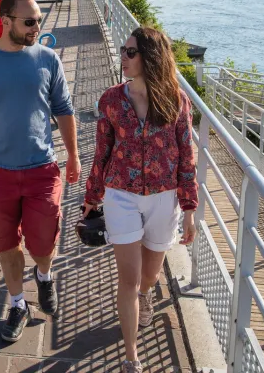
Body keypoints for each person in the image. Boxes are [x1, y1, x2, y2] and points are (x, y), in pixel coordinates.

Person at [0, 0, 81, 343]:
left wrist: (73, 155)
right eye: (29, 22)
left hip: (42, 171)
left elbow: (64, 110)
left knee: (43, 245)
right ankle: (18, 304)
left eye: (38, 20)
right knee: (6, 244)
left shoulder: (48, 59)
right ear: (5, 21)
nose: (36, 27)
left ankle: (44, 275)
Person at [83, 27, 198, 373]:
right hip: (121, 196)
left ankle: (147, 294)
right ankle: (131, 357)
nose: (123, 57)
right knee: (128, 280)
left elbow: (186, 156)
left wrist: (189, 209)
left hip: (164, 197)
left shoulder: (176, 100)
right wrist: (92, 197)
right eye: (123, 50)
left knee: (149, 275)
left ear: (151, 57)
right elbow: (102, 152)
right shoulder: (111, 100)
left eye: (130, 52)